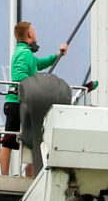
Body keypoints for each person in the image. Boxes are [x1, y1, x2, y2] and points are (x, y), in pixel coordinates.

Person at [5, 21, 71, 175]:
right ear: (29, 34)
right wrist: (35, 84)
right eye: (33, 30)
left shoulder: (27, 53)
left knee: (28, 139)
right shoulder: (24, 53)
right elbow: (19, 75)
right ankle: (6, 174)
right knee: (9, 140)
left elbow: (40, 64)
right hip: (16, 102)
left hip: (21, 102)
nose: (35, 32)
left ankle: (31, 175)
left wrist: (57, 55)